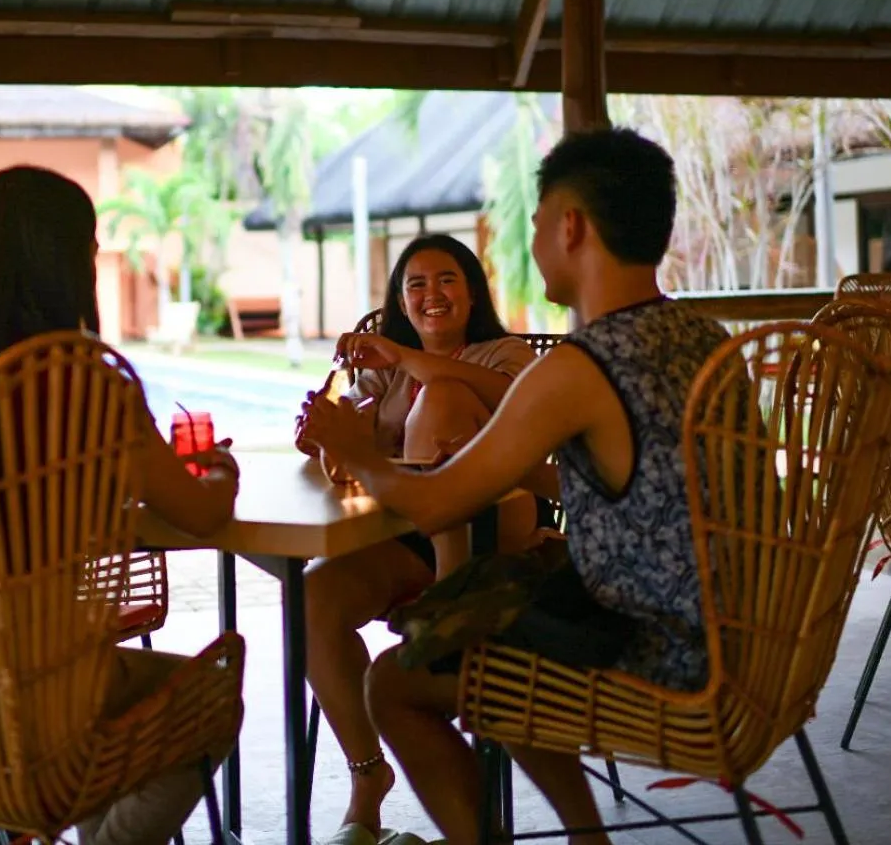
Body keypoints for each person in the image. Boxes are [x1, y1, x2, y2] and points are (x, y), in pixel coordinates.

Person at [301, 129, 731, 845]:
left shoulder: (579, 365)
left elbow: (438, 501)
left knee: (394, 682)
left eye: (534, 225)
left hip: (648, 648)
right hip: (729, 631)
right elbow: (619, 480)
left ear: (570, 227)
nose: (531, 244)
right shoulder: (705, 338)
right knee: (507, 616)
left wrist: (356, 452)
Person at [0, 165, 242, 845]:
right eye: (88, 243)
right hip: (42, 695)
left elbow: (14, 521)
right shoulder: (82, 379)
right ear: (59, 259)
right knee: (212, 701)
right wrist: (220, 474)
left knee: (114, 711)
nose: (96, 257)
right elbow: (201, 516)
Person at [294, 234, 550, 844]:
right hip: (410, 543)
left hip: (496, 544)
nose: (431, 294)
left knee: (441, 393)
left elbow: (520, 408)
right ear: (400, 303)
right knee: (310, 600)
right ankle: (367, 776)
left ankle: (448, 603)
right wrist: (326, 430)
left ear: (471, 291)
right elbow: (343, 450)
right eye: (415, 284)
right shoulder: (384, 377)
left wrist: (400, 359)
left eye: (446, 280)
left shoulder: (504, 354)